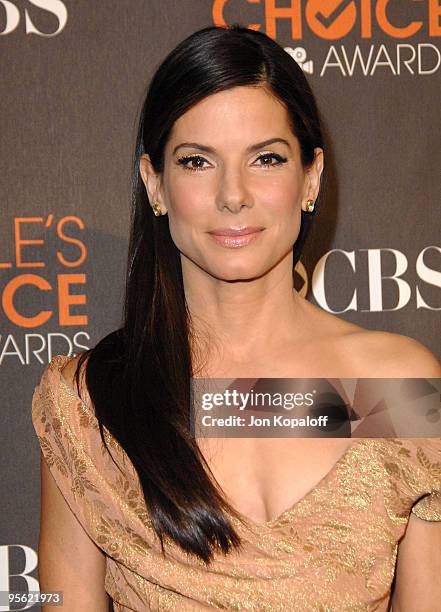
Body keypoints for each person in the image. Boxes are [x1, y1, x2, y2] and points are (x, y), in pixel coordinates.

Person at [32, 24, 441, 611]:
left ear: (312, 176)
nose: (234, 194)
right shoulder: (89, 401)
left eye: (266, 158)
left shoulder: (397, 388)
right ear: (156, 183)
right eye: (197, 161)